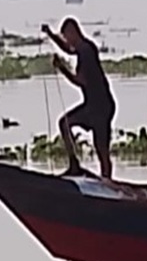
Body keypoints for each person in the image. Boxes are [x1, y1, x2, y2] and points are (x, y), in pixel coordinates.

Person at [43, 17, 116, 178]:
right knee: (64, 123)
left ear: (73, 32)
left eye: (67, 36)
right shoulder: (83, 47)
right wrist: (51, 35)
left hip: (101, 106)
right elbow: (68, 49)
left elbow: (80, 80)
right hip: (92, 104)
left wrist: (62, 68)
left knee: (101, 149)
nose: (67, 40)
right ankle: (74, 164)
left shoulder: (86, 52)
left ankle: (107, 180)